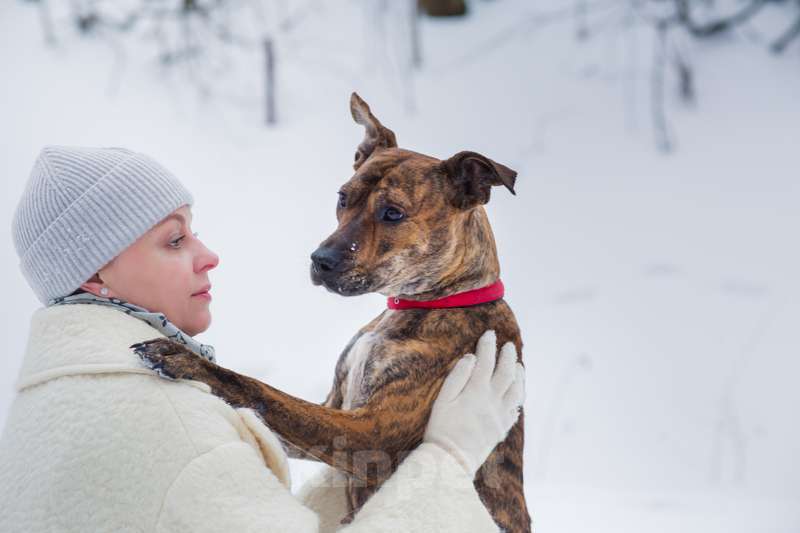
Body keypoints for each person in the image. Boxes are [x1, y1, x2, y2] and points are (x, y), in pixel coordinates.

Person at [0, 146, 525, 532]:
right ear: (95, 277)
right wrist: (449, 457)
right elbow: (359, 444)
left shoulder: (47, 402)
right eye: (175, 240)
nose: (209, 255)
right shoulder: (176, 426)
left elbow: (346, 447)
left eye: (390, 215)